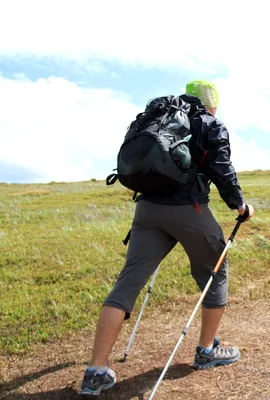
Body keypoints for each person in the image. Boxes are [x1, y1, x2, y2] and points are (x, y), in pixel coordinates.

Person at [79, 80, 254, 396]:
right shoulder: (210, 123)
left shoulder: (160, 117)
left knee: (127, 283)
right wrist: (240, 205)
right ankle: (207, 351)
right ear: (212, 102)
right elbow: (221, 168)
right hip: (189, 210)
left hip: (146, 210)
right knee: (215, 271)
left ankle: (95, 371)